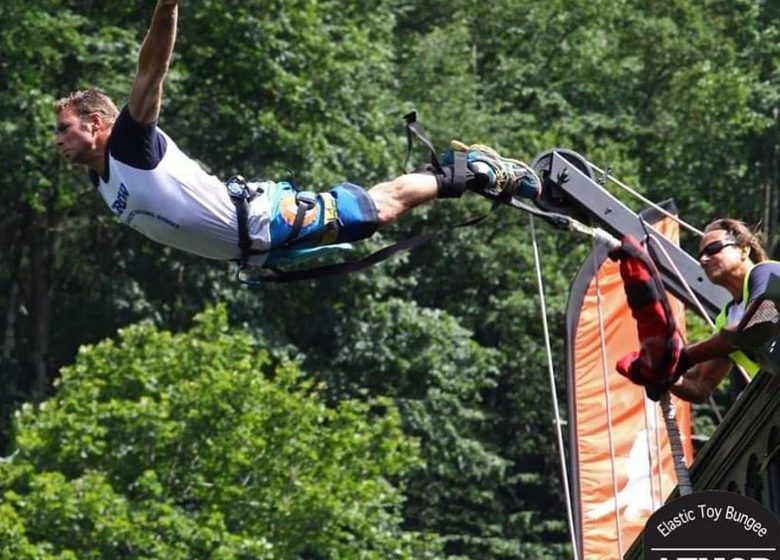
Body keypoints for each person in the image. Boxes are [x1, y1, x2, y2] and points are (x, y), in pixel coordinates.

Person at [55, 0, 540, 273]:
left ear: (96, 123)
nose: (58, 140)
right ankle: (463, 173)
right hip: (262, 250)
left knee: (377, 211)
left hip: (268, 223)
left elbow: (152, 69)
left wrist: (167, 6)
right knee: (375, 214)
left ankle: (471, 170)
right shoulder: (103, 181)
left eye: (65, 128)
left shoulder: (128, 143)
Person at [670, 218, 780, 402]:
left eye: (713, 249)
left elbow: (759, 322)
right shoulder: (725, 319)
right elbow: (699, 385)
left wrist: (686, 356)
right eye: (701, 255)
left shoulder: (768, 272)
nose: (704, 259)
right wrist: (662, 375)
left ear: (744, 249)